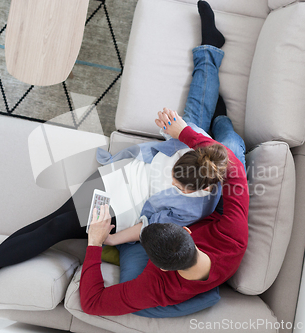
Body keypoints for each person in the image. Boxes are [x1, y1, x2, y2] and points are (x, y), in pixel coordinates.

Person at [79, 0, 249, 315]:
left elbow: (92, 304)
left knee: (216, 138)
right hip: (218, 201)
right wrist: (184, 131)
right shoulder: (232, 238)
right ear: (186, 231)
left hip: (196, 208)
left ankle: (217, 113)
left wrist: (96, 244)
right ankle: (217, 103)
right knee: (229, 148)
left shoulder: (158, 286)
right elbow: (234, 169)